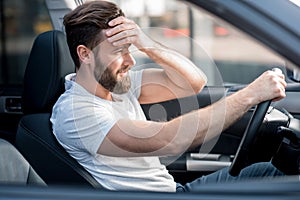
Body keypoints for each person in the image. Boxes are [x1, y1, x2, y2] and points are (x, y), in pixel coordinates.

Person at [50, 0, 287, 192]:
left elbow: (192, 82)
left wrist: (145, 43)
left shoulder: (117, 86)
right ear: (85, 54)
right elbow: (168, 140)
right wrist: (249, 96)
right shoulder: (76, 112)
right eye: (118, 52)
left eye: (129, 50)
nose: (130, 61)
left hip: (174, 189)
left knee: (279, 172)